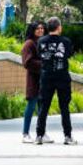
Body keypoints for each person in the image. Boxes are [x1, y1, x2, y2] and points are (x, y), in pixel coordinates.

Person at [35, 16, 76, 145]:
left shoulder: (41, 41)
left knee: (43, 107)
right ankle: (67, 136)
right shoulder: (65, 41)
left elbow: (39, 55)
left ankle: (39, 136)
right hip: (62, 77)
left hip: (46, 77)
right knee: (64, 107)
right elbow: (69, 54)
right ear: (59, 27)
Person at [20, 20, 46, 143]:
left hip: (44, 80)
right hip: (33, 80)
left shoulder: (43, 42)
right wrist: (43, 64)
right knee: (31, 106)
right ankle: (25, 134)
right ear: (32, 30)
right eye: (37, 28)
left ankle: (41, 133)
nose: (40, 30)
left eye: (42, 28)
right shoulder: (29, 44)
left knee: (42, 108)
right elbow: (27, 62)